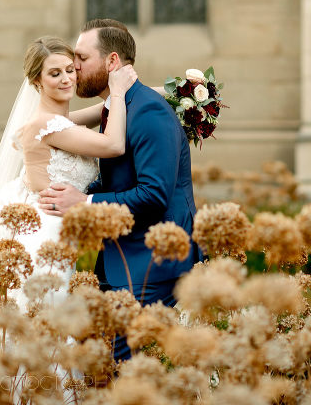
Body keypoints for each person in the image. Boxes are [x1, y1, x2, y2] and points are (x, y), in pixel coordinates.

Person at [38, 19, 203, 361]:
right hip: (121, 261)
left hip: (151, 265)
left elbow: (154, 194)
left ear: (112, 62)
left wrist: (85, 201)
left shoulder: (149, 114)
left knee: (128, 373)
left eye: (81, 58)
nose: (74, 66)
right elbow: (121, 179)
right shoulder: (120, 107)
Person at [0, 35, 137, 312]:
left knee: (46, 325)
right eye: (55, 74)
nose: (67, 79)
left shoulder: (58, 122)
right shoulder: (46, 125)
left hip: (59, 232)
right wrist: (116, 92)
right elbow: (114, 145)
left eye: (70, 70)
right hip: (43, 234)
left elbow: (100, 111)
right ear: (36, 82)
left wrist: (178, 92)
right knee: (45, 322)